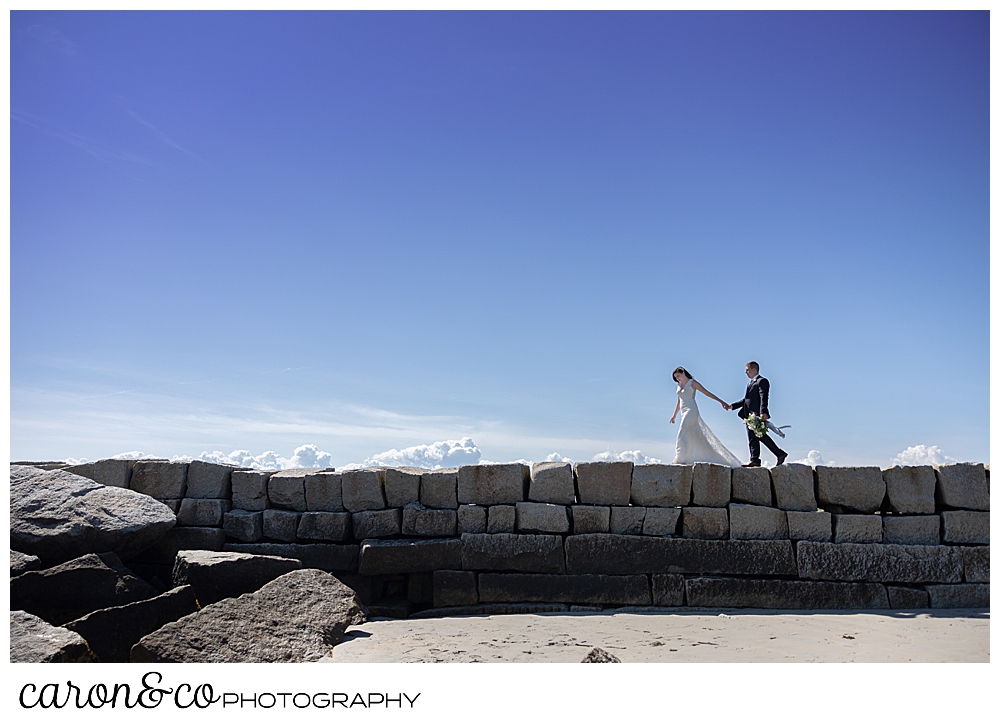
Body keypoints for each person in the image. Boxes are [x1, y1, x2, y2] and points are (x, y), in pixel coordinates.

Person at [670, 366, 742, 467]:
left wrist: (721, 402)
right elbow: (679, 401)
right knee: (691, 433)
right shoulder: (679, 385)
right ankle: (688, 457)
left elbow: (707, 393)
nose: (677, 378)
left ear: (683, 373)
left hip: (691, 410)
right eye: (676, 377)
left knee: (683, 430)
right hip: (683, 410)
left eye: (678, 376)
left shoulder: (692, 383)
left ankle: (680, 457)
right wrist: (674, 416)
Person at [725, 361, 787, 468]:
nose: (746, 372)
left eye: (748, 370)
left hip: (756, 415)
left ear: (755, 369)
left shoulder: (762, 381)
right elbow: (746, 400)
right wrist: (732, 406)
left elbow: (764, 396)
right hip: (748, 416)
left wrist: (763, 412)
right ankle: (756, 459)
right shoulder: (750, 383)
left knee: (760, 436)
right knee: (753, 437)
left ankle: (778, 454)